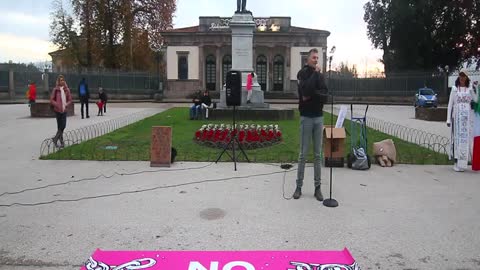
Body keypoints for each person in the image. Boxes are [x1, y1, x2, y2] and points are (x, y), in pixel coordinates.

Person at [293, 48, 329, 201]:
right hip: (306, 118)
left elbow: (325, 96)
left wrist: (312, 94)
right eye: (313, 58)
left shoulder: (320, 76)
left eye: (317, 58)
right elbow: (305, 92)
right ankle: (298, 187)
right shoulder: (302, 74)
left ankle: (317, 188)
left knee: (317, 155)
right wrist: (313, 87)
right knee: (303, 154)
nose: (316, 60)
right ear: (308, 60)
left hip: (318, 117)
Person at [447, 69, 476, 172]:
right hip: (456, 118)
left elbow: (476, 100)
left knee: (465, 141)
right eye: (460, 76)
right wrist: (448, 119)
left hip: (466, 119)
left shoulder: (469, 89)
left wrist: (473, 88)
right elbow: (450, 104)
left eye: (464, 77)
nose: (462, 78)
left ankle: (463, 162)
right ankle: (456, 162)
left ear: (466, 78)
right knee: (457, 140)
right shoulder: (454, 89)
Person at [49, 75, 72, 148]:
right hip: (57, 110)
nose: (62, 81)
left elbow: (70, 100)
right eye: (60, 80)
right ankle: (61, 142)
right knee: (59, 127)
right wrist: (57, 104)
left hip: (64, 110)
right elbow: (51, 100)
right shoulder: (55, 90)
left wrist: (66, 104)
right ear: (58, 81)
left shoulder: (67, 90)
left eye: (63, 80)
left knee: (63, 126)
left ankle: (55, 139)